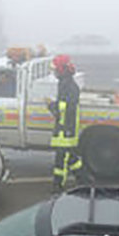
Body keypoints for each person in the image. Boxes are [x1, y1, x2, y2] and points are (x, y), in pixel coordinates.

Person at [48, 54, 88, 191]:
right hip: (66, 128)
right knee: (70, 156)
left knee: (61, 160)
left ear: (62, 69)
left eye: (56, 69)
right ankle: (84, 179)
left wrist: (51, 105)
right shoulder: (66, 83)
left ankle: (58, 186)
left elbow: (64, 109)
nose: (54, 72)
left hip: (66, 129)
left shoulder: (68, 85)